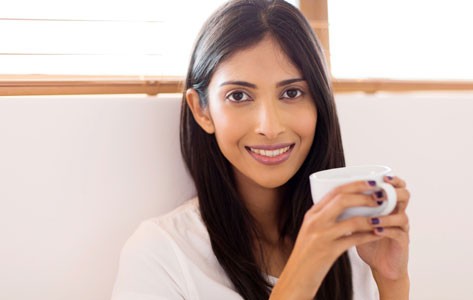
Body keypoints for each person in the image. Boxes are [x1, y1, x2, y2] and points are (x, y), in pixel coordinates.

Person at [111, 0, 410, 299]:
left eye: (292, 93)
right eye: (239, 96)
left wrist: (391, 280)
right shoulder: (161, 253)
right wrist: (308, 262)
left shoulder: (354, 242)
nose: (270, 126)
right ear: (202, 110)